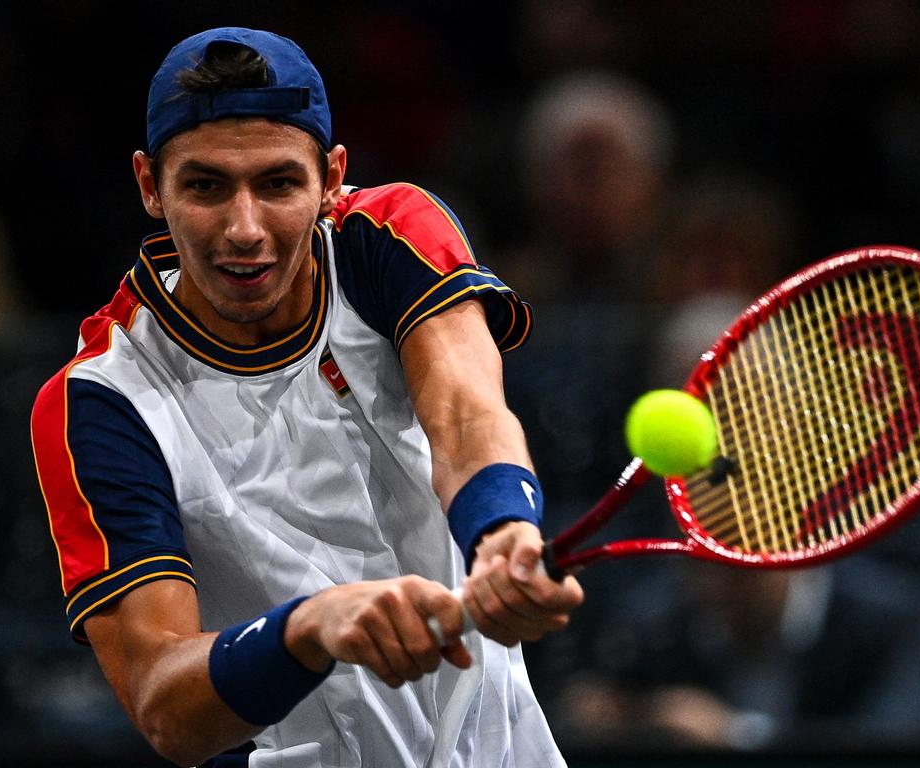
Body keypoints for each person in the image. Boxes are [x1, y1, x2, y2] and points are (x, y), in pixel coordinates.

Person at [30, 27, 583, 768]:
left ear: (332, 178)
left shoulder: (387, 233)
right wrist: (308, 628)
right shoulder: (96, 399)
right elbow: (164, 707)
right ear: (148, 186)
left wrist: (504, 530)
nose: (245, 228)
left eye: (279, 183)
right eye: (205, 186)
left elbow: (463, 409)